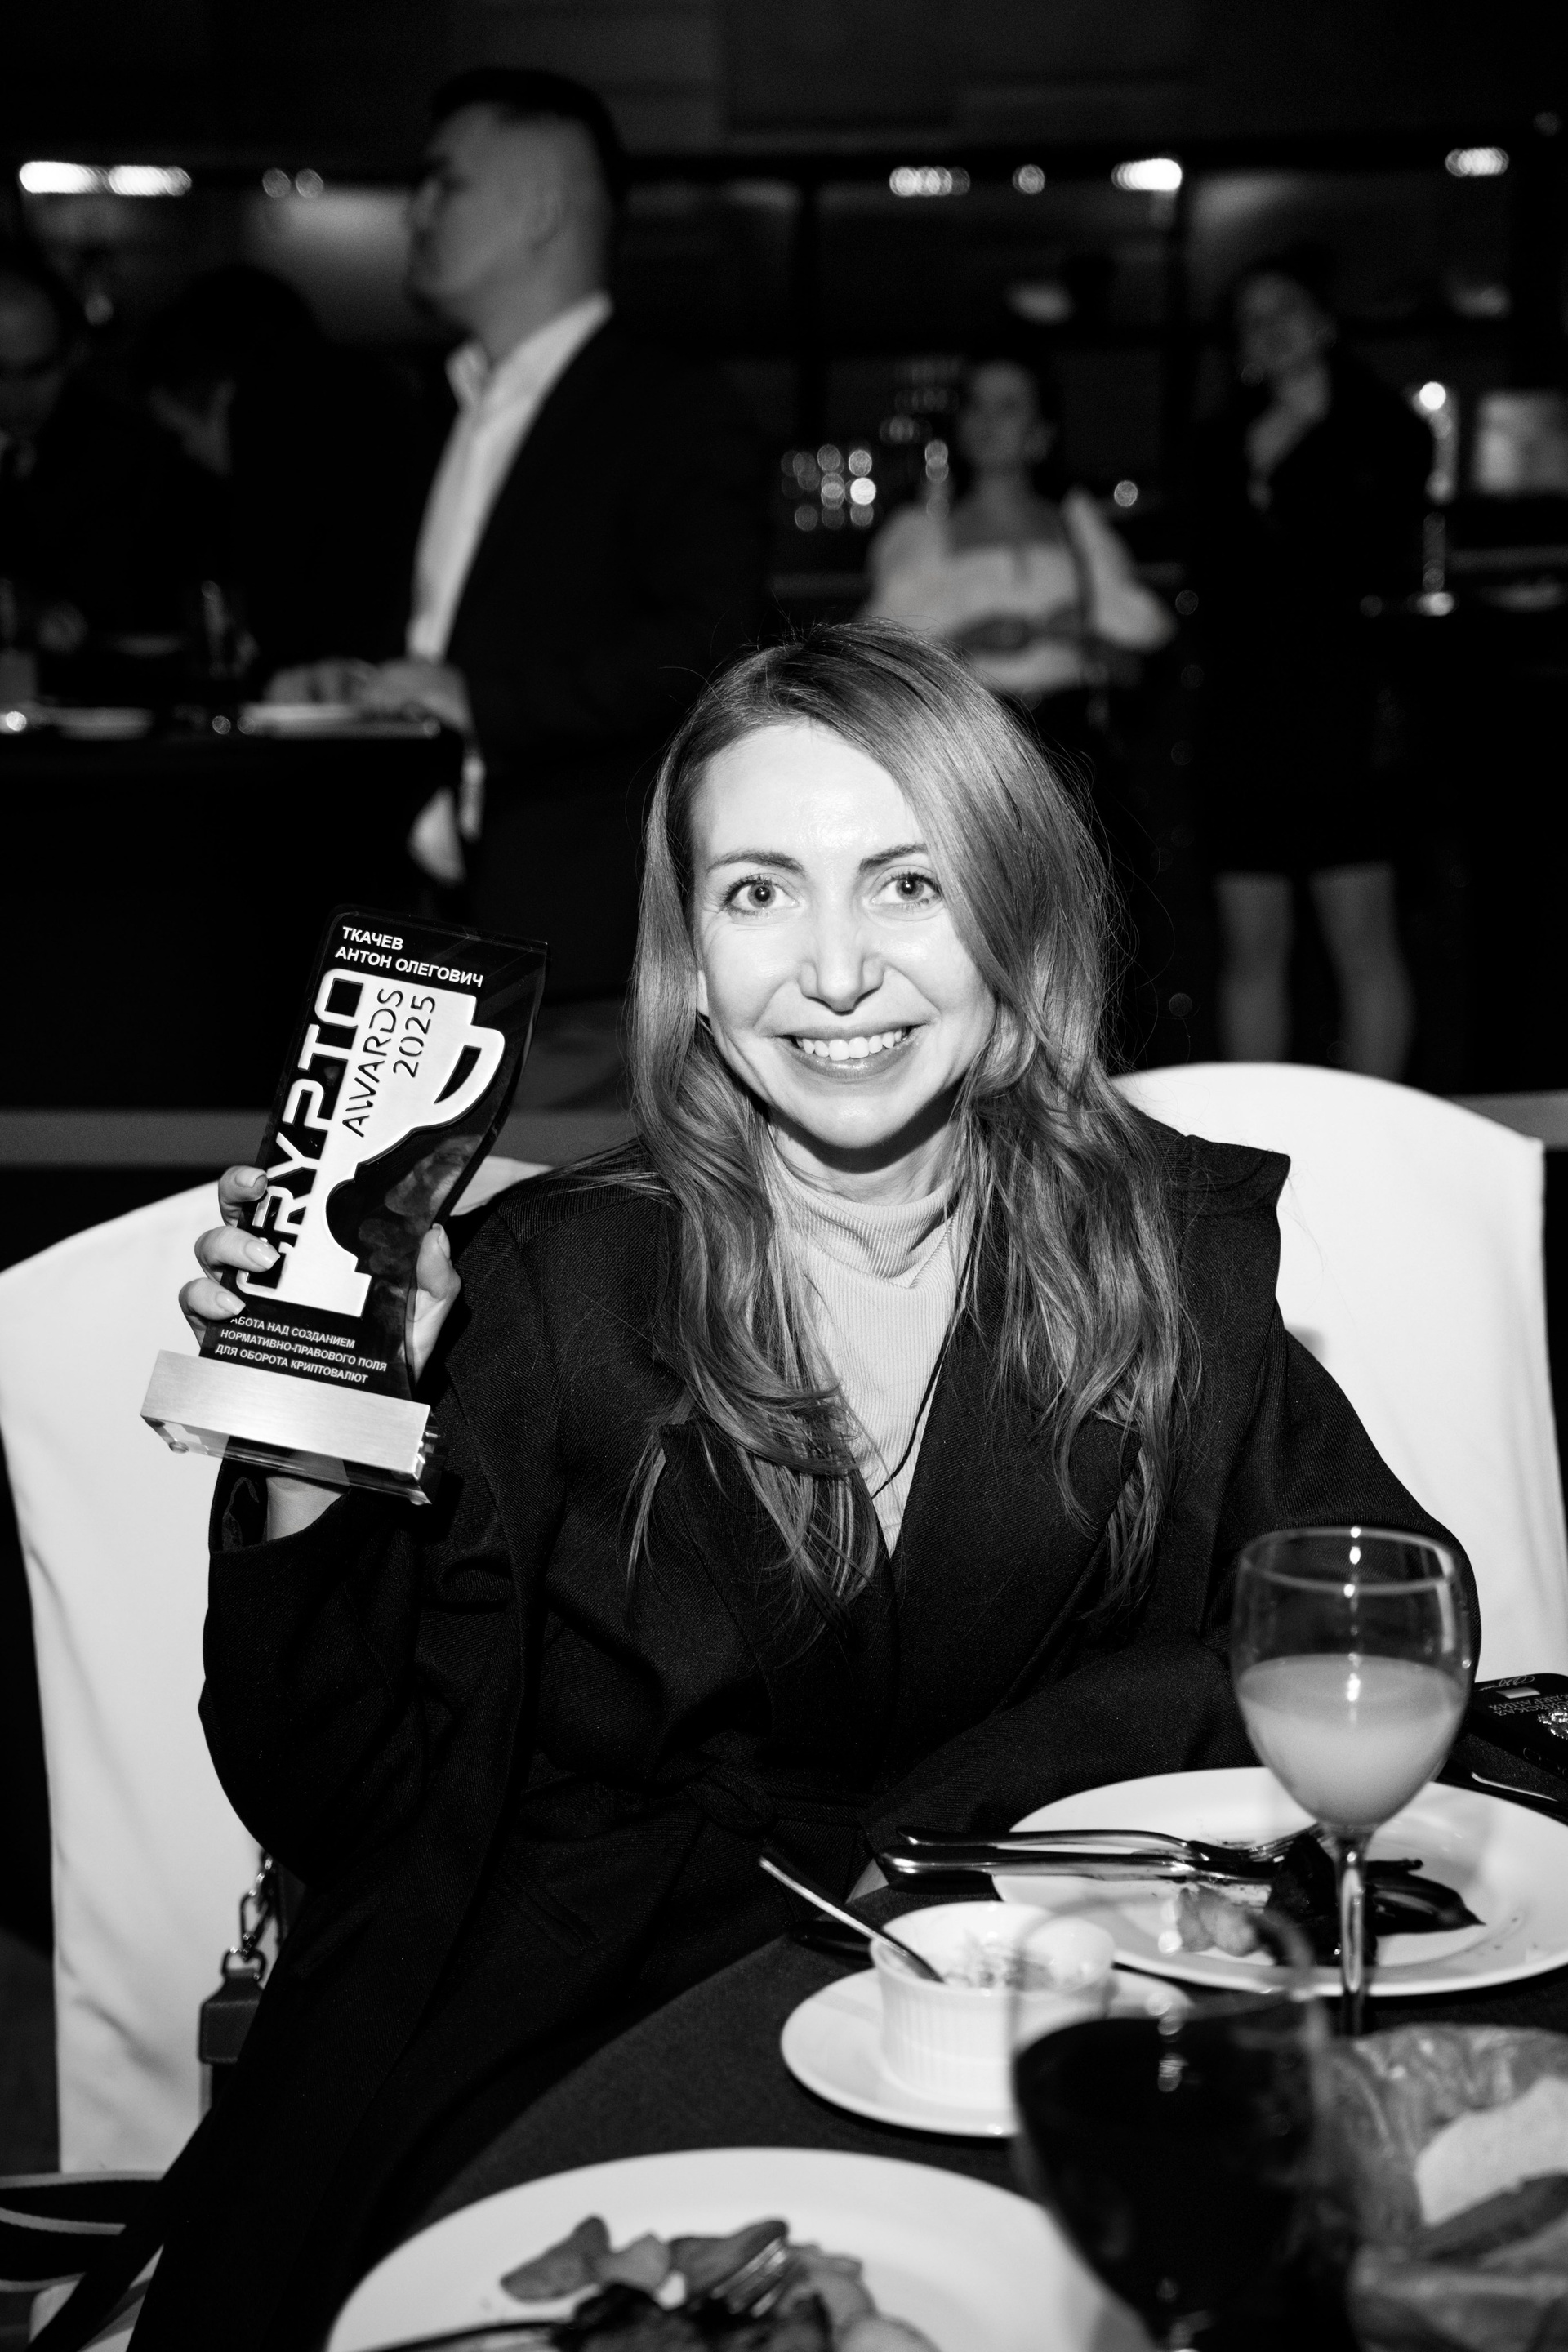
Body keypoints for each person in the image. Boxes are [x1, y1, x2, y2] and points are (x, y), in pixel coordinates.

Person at [42, 624, 1465, 2352]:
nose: (837, 971)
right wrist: (310, 1438)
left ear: (1014, 922)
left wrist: (1046, 1787)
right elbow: (326, 1795)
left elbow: (1379, 1625)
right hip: (583, 2042)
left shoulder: (1158, 1256)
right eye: (760, 893)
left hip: (1013, 2035)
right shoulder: (548, 1288)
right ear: (694, 963)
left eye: (909, 885)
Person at [274, 68, 765, 999]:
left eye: (445, 182)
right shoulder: (434, 407)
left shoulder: (672, 410)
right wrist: (355, 688)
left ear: (541, 209)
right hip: (412, 924)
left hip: (582, 939)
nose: (415, 212)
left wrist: (480, 703)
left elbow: (710, 646)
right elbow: (443, 632)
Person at [1192, 247, 1432, 1077]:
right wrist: (1260, 466)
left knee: (1362, 935)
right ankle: (1255, 1141)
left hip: (1345, 705)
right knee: (1252, 942)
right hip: (1244, 707)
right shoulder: (1219, 443)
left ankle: (1371, 1129)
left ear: (1324, 321)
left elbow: (1376, 553)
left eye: (1285, 308)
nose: (1271, 329)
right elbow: (1212, 576)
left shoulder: (1386, 430)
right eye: (1251, 319)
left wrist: (1298, 454)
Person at [864, 354, 1172, 776]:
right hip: (973, 749)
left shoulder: (1077, 526)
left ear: (1041, 431)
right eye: (976, 404)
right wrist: (965, 643)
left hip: (1073, 749)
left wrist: (1087, 638)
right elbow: (880, 672)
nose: (987, 421)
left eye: (1007, 406)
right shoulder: (923, 534)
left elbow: (1136, 671)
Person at [140, 265, 420, 677]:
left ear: (221, 397)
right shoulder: (380, 409)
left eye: (181, 435)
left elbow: (285, 641)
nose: (190, 454)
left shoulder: (280, 472)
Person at [0, 245, 184, 675]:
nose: (15, 396)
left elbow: (132, 607)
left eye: (37, 370)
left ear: (74, 355)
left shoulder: (126, 453)